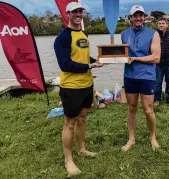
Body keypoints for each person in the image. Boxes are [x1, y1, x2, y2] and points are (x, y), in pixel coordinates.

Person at [54, 2, 103, 176]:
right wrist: (89, 65)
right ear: (67, 14)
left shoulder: (83, 33)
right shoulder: (63, 38)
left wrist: (95, 61)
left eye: (80, 11)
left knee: (82, 118)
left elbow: (82, 56)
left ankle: (82, 150)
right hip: (71, 87)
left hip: (86, 85)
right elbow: (65, 64)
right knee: (69, 123)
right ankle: (69, 161)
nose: (78, 14)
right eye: (74, 11)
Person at [121, 5, 161, 151]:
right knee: (131, 108)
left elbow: (156, 58)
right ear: (130, 18)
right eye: (135, 15)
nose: (138, 18)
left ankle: (153, 137)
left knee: (147, 109)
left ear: (144, 17)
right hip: (129, 76)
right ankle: (131, 139)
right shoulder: (124, 34)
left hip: (146, 76)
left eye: (141, 15)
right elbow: (123, 54)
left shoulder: (153, 34)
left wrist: (136, 59)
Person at [154, 18, 169, 107]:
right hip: (158, 63)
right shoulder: (154, 34)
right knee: (157, 83)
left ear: (167, 25)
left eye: (163, 23)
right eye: (159, 23)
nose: (161, 25)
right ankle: (157, 100)